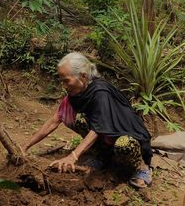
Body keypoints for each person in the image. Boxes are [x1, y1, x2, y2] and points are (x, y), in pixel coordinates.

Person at [21, 52, 153, 188]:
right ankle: (103, 156)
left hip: (127, 135)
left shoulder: (101, 93)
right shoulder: (75, 95)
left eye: (66, 80)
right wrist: (25, 146)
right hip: (107, 138)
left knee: (124, 144)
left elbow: (98, 128)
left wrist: (73, 156)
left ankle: (141, 168)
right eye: (61, 81)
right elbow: (54, 120)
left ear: (83, 76)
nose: (64, 86)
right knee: (80, 120)